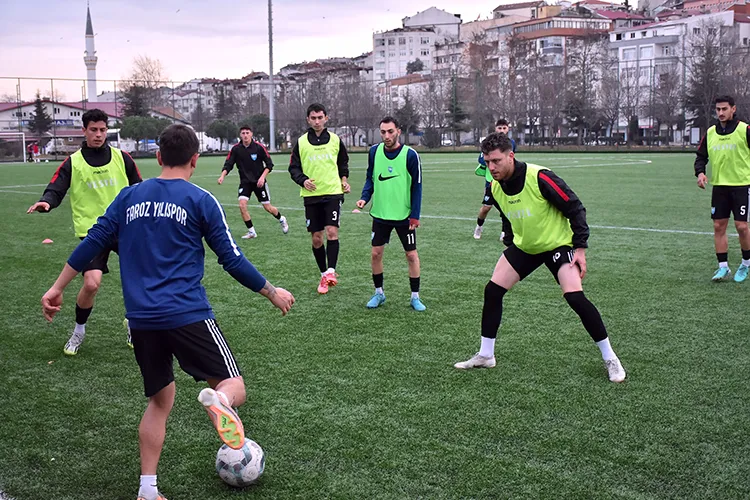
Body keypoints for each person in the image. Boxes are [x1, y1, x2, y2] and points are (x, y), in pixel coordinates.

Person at [40, 124, 295, 500]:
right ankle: (221, 401)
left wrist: (57, 288)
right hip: (187, 313)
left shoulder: (128, 198)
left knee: (160, 401)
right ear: (195, 160)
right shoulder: (200, 199)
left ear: (158, 157)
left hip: (141, 321)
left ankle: (147, 488)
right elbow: (231, 259)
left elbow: (92, 242)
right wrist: (272, 293)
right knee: (230, 383)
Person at [454, 133, 626, 383]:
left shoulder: (540, 177)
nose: (491, 167)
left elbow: (575, 207)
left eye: (496, 161)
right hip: (527, 247)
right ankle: (486, 354)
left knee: (575, 297)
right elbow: (507, 214)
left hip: (558, 244)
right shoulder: (494, 185)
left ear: (511, 156)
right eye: (487, 161)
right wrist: (511, 238)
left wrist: (579, 248)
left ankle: (610, 357)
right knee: (493, 291)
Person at [27, 108, 142, 355]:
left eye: (102, 130)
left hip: (125, 228)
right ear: (84, 130)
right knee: (91, 284)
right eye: (94, 130)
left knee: (138, 278)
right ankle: (79, 331)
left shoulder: (123, 158)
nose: (99, 135)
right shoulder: (73, 162)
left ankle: (133, 323)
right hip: (93, 232)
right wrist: (47, 201)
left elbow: (139, 188)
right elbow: (56, 187)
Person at [356, 116, 425, 311]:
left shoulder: (411, 155)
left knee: (411, 255)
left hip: (404, 215)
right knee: (376, 254)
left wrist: (415, 215)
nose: (386, 136)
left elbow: (417, 187)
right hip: (380, 214)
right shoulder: (374, 152)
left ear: (398, 132)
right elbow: (371, 177)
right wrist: (364, 197)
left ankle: (415, 297)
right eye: (383, 132)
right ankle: (379, 293)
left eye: (390, 131)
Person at [289, 103, 350, 294]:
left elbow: (343, 164)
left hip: (332, 192)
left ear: (326, 118)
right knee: (317, 239)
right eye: (313, 118)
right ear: (308, 119)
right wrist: (303, 180)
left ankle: (331, 272)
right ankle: (324, 274)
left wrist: (344, 181)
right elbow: (294, 168)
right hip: (311, 196)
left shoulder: (335, 140)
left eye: (320, 117)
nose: (317, 121)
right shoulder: (301, 142)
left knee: (332, 231)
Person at [694, 95, 750, 282]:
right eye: (718, 109)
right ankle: (723, 267)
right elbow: (701, 157)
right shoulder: (710, 133)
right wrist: (700, 173)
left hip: (742, 186)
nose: (720, 113)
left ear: (733, 109)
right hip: (720, 187)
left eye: (724, 109)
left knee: (742, 226)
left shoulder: (745, 130)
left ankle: (745, 264)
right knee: (719, 226)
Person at [217, 124, 288, 238]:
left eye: (247, 133)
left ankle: (281, 218)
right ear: (240, 135)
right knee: (242, 205)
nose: (245, 135)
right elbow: (229, 164)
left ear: (251, 134)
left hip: (259, 183)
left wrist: (262, 177)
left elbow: (269, 165)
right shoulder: (236, 149)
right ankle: (252, 232)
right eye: (243, 133)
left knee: (268, 208)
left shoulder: (259, 147)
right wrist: (222, 176)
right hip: (245, 182)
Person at [474, 119, 516, 240]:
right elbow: (481, 159)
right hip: (491, 182)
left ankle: (504, 232)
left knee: (506, 208)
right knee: (486, 208)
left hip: (506, 181)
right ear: (495, 129)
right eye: (499, 128)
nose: (502, 130)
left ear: (508, 129)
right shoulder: (489, 143)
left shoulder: (511, 143)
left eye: (504, 128)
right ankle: (479, 227)